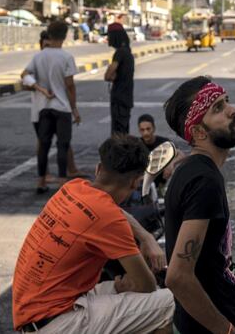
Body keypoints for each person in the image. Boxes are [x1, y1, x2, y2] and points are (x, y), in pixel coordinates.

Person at [12, 135, 174, 333]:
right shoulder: (109, 218)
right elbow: (146, 285)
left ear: (98, 168)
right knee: (165, 303)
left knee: (123, 293)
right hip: (57, 322)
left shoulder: (73, 188)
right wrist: (133, 283)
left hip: (32, 315)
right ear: (135, 183)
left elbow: (113, 211)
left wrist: (145, 237)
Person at [162, 77, 235, 334]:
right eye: (218, 109)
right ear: (199, 133)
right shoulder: (204, 181)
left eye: (227, 102)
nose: (232, 110)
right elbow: (178, 276)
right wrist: (228, 331)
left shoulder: (195, 170)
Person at [23, 21, 81, 193]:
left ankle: (41, 181)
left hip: (43, 108)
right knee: (63, 145)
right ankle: (62, 182)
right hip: (62, 108)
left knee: (44, 144)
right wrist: (75, 109)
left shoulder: (38, 56)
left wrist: (39, 88)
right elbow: (69, 85)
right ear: (64, 36)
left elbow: (25, 74)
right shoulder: (66, 57)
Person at [105, 23, 135, 134]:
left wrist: (110, 74)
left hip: (119, 99)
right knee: (123, 130)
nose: (107, 39)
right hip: (126, 97)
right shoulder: (127, 51)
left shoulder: (119, 53)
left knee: (118, 133)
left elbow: (108, 75)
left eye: (109, 36)